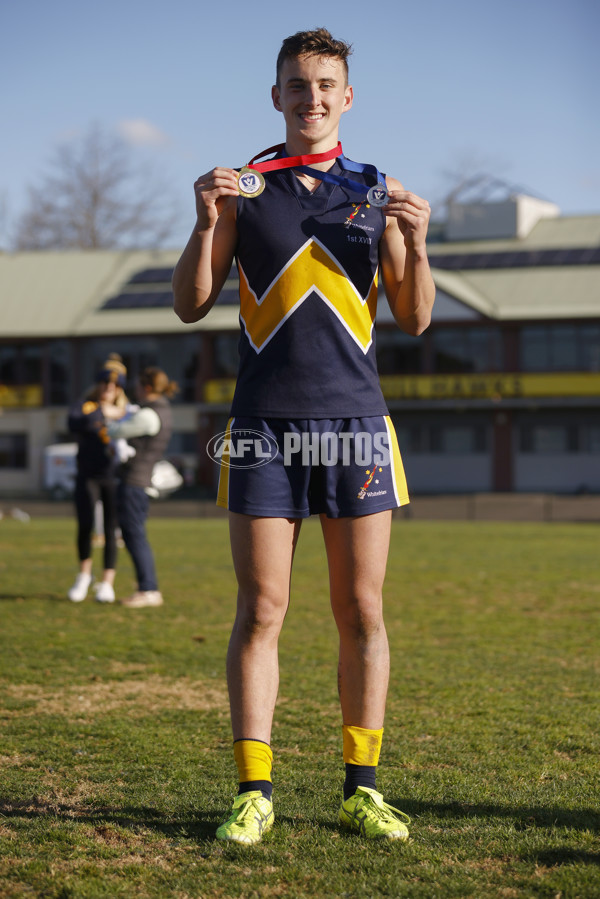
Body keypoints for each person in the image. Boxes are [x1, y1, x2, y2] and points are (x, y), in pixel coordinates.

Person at [172, 28, 435, 844]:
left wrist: (419, 243)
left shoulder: (374, 188)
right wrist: (201, 219)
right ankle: (255, 790)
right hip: (262, 430)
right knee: (262, 611)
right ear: (276, 95)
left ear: (346, 97)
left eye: (326, 84)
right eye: (297, 84)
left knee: (362, 609)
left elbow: (416, 316)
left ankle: (363, 786)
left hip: (356, 424)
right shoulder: (244, 189)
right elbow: (190, 303)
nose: (311, 97)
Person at [107, 367, 177, 608]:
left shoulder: (149, 414)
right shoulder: (162, 411)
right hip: (140, 480)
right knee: (134, 535)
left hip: (134, 481)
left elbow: (113, 430)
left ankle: (148, 589)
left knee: (134, 535)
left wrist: (111, 414)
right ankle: (146, 587)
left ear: (146, 387)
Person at [67, 354, 129, 603]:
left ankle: (107, 582)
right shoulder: (86, 405)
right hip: (87, 474)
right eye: (105, 384)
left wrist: (116, 415)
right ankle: (84, 575)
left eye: (114, 385)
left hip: (113, 476)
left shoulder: (127, 410)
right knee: (85, 525)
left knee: (111, 529)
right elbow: (74, 422)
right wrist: (103, 413)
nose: (108, 389)